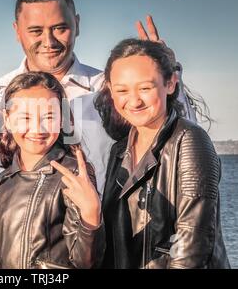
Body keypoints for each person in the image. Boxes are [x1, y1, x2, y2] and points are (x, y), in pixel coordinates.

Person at [0, 0, 195, 195]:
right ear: (17, 31)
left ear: (77, 24)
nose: (48, 41)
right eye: (35, 31)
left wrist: (165, 75)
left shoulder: (110, 91)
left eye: (60, 28)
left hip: (103, 238)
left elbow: (181, 143)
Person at [94, 38, 230, 268]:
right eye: (122, 90)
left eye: (145, 88)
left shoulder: (190, 141)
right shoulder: (119, 150)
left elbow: (192, 246)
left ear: (170, 83)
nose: (134, 100)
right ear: (110, 90)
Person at [0, 72, 105, 269]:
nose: (37, 128)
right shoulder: (3, 181)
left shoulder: (73, 175)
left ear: (62, 119)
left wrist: (91, 216)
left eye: (49, 116)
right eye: (25, 117)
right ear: (7, 120)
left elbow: (85, 264)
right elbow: (2, 259)